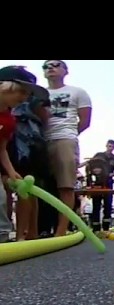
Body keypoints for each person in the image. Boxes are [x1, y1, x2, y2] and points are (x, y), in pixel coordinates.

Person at [42, 60, 92, 237]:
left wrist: (70, 134)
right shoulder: (39, 93)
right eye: (46, 66)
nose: (50, 68)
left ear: (65, 70)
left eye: (55, 65)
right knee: (41, 186)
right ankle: (40, 229)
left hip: (65, 138)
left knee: (65, 185)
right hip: (39, 140)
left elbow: (85, 121)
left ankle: (60, 231)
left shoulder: (77, 92)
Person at [0, 65, 49, 243]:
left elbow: (2, 148)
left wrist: (11, 171)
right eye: (21, 91)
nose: (24, 98)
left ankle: (2, 237)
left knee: (0, 197)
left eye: (28, 94)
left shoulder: (8, 120)